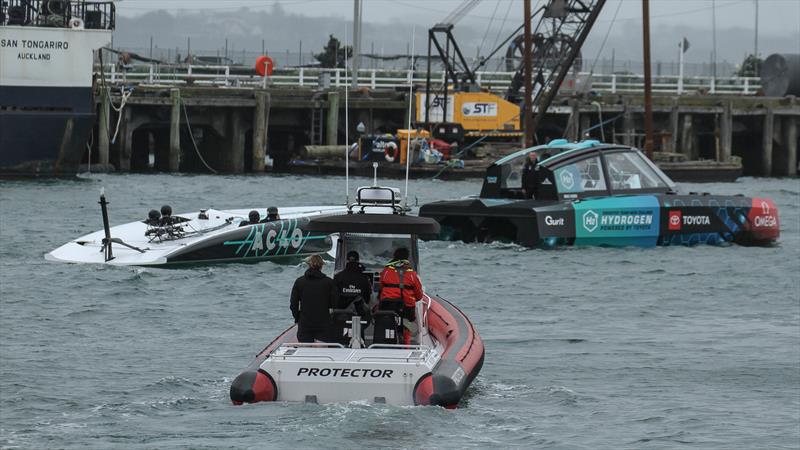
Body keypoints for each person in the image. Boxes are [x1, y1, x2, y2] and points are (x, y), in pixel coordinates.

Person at [378, 247, 423, 344]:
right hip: (406, 308)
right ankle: (406, 345)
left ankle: (386, 339)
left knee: (386, 320)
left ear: (394, 257)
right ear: (407, 258)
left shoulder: (385, 272)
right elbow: (419, 296)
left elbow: (380, 288)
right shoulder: (412, 274)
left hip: (387, 305)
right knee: (407, 324)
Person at [290, 254, 339, 343]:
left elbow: (293, 304)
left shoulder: (299, 282)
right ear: (321, 266)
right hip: (323, 322)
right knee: (322, 352)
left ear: (308, 265)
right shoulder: (329, 282)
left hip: (305, 323)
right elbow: (335, 303)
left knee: (305, 351)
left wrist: (298, 318)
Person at [333, 251, 372, 320]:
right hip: (360, 316)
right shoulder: (365, 278)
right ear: (358, 260)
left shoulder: (338, 277)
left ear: (347, 260)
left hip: (340, 315)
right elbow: (367, 298)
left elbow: (333, 296)